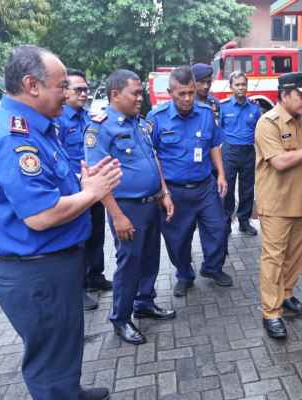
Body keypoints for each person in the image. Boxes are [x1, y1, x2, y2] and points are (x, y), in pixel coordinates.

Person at [0, 45, 120, 400]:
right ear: (32, 85)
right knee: (49, 360)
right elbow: (41, 215)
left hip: (52, 264)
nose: (68, 93)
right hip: (37, 270)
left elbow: (49, 185)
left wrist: (82, 183)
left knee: (64, 345)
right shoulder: (14, 139)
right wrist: (93, 192)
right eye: (61, 86)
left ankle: (69, 391)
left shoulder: (39, 128)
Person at [84, 69, 176, 345]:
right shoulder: (100, 128)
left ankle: (144, 302)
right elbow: (98, 178)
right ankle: (121, 318)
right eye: (135, 93)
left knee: (150, 258)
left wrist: (164, 191)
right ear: (115, 94)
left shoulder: (140, 123)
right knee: (129, 264)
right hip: (127, 208)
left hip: (151, 203)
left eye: (141, 93)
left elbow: (154, 159)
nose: (140, 98)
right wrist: (117, 216)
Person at [147, 66, 232, 298]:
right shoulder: (156, 118)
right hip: (174, 192)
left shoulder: (205, 113)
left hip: (205, 187)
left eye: (191, 93)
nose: (187, 99)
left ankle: (212, 267)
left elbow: (213, 145)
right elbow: (153, 156)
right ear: (170, 93)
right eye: (181, 94)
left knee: (218, 229)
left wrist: (221, 174)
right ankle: (184, 275)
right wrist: (163, 191)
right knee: (178, 240)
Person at [255, 72, 302, 339]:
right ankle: (270, 312)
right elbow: (280, 162)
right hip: (277, 203)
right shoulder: (267, 123)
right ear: (284, 95)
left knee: (297, 255)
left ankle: (285, 295)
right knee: (273, 259)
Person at [54, 68, 111, 312]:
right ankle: (79, 289)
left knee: (96, 233)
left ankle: (95, 276)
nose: (84, 94)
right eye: (79, 90)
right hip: (73, 192)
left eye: (86, 89)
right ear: (65, 92)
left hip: (94, 188)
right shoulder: (57, 121)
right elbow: (58, 157)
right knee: (78, 239)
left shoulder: (89, 118)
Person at [220, 71, 261, 237]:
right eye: (237, 84)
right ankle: (226, 222)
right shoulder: (223, 107)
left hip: (248, 151)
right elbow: (218, 129)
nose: (241, 87)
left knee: (247, 188)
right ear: (231, 87)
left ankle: (244, 221)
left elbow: (259, 131)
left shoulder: (254, 107)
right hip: (229, 151)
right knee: (227, 188)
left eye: (243, 84)